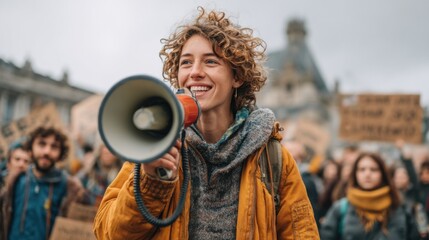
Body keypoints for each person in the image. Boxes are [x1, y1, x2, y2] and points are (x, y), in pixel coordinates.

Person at [94, 7, 319, 239]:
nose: (195, 72)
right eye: (186, 63)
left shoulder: (273, 159)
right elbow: (109, 233)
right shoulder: (154, 145)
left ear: (237, 76)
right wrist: (151, 182)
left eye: (210, 62)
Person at [0, 126, 84, 240]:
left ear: (60, 153)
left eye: (54, 147)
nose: (47, 151)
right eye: (41, 144)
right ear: (31, 148)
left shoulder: (69, 187)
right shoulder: (16, 180)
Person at [320, 152, 418, 240]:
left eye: (373, 169)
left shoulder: (398, 208)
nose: (367, 174)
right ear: (355, 174)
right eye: (362, 169)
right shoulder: (341, 208)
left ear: (382, 173)